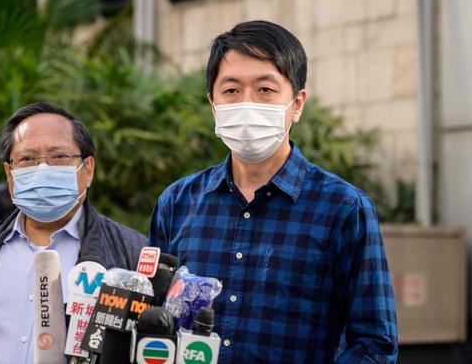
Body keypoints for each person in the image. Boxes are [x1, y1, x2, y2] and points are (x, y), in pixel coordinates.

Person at [149, 20, 398, 363]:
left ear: (296, 104)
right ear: (213, 105)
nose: (247, 103)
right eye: (231, 90)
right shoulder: (176, 204)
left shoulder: (342, 208)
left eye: (265, 90)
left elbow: (374, 343)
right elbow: (152, 321)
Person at [0, 102, 147, 364]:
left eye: (59, 156)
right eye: (27, 159)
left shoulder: (131, 253)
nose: (43, 169)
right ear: (9, 173)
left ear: (88, 169)